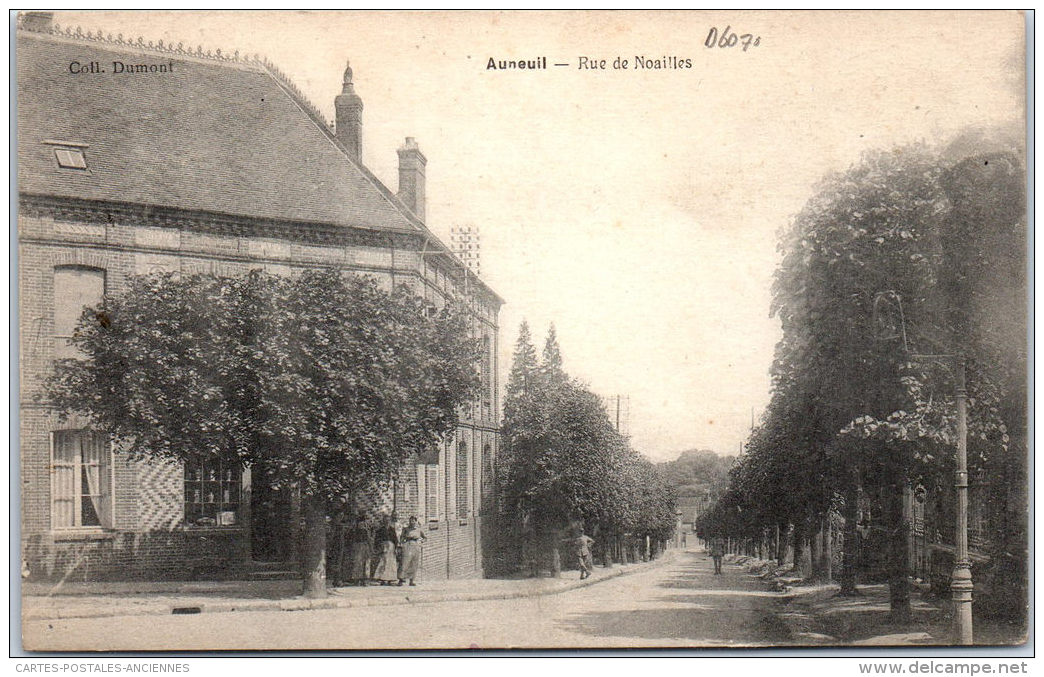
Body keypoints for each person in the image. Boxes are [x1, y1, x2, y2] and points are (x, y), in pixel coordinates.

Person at [397, 516, 427, 586]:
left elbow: (425, 538)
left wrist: (421, 541)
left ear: (416, 521)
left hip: (415, 546)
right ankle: (401, 580)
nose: (412, 522)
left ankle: (411, 580)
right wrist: (401, 544)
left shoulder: (419, 529)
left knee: (414, 563)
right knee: (404, 562)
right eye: (410, 521)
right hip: (407, 545)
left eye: (413, 521)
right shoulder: (406, 529)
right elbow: (402, 537)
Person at [372, 514, 400, 585]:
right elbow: (377, 540)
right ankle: (383, 578)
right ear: (383, 521)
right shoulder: (380, 530)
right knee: (384, 562)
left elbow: (395, 539)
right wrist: (379, 546)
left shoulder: (392, 529)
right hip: (384, 547)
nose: (387, 522)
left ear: (390, 521)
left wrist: (396, 548)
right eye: (385, 520)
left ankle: (390, 579)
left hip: (391, 547)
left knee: (391, 563)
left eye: (388, 520)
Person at [345, 516, 372, 586]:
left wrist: (370, 548)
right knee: (357, 563)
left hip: (365, 547)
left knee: (365, 563)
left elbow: (368, 540)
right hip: (357, 547)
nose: (361, 525)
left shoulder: (366, 531)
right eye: (360, 523)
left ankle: (364, 579)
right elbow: (351, 540)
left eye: (363, 523)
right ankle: (357, 579)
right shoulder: (354, 531)